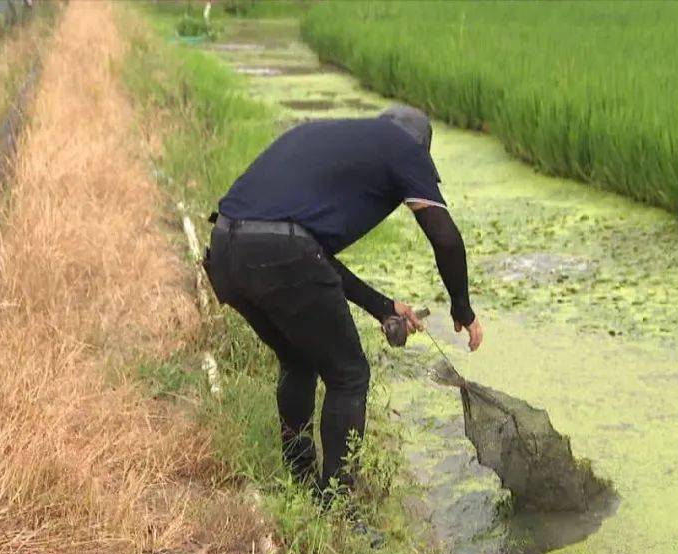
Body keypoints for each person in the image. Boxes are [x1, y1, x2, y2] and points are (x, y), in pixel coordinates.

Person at [204, 105, 484, 498]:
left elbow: (305, 251)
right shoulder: (404, 148)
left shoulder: (330, 135)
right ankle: (337, 505)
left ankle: (299, 482)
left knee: (299, 359)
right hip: (278, 251)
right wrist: (462, 307)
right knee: (349, 375)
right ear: (422, 146)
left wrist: (382, 306)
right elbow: (446, 238)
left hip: (226, 249)